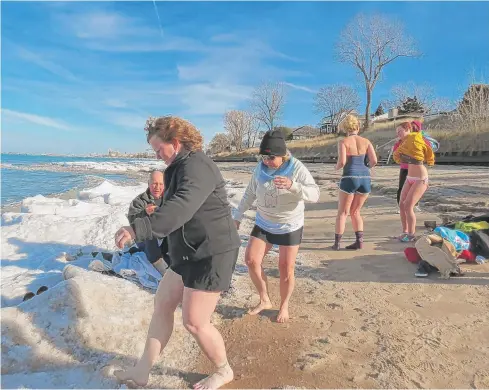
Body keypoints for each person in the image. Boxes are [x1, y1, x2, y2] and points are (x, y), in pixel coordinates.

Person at [114, 116, 241, 389]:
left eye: (159, 149)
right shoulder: (178, 167)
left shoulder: (198, 166)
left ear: (175, 142)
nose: (157, 155)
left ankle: (223, 370)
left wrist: (139, 229)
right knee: (162, 304)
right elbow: (177, 212)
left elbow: (182, 207)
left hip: (212, 252)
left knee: (194, 322)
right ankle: (142, 371)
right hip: (187, 252)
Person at [232, 129, 320, 323]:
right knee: (251, 260)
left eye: (271, 157)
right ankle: (264, 299)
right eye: (263, 156)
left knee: (285, 269)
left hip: (289, 225)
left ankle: (284, 305)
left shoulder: (296, 167)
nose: (266, 161)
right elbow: (249, 194)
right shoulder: (260, 168)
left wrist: (292, 186)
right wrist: (237, 215)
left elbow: (315, 194)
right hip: (264, 222)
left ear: (283, 155)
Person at [333, 114, 378, 250]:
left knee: (343, 213)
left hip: (349, 177)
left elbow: (342, 162)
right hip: (365, 178)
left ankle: (337, 244)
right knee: (356, 212)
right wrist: (365, 168)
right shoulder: (366, 141)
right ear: (358, 127)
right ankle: (359, 242)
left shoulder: (344, 142)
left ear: (346, 128)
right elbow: (374, 161)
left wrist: (336, 168)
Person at [393, 121, 435, 242]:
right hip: (409, 177)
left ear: (408, 129)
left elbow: (427, 149)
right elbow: (397, 155)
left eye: (400, 131)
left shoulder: (415, 138)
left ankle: (411, 234)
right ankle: (405, 231)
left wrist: (429, 160)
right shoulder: (404, 142)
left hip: (420, 178)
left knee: (408, 206)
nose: (398, 134)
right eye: (397, 132)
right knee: (401, 204)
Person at [127, 170, 169, 274]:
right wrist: (144, 213)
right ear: (149, 183)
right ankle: (162, 270)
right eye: (154, 183)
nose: (157, 187)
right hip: (147, 240)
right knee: (150, 234)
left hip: (165, 236)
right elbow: (132, 221)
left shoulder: (171, 198)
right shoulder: (139, 201)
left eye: (160, 184)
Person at [392, 120, 430, 213]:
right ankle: (400, 206)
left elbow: (427, 150)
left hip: (417, 169)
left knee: (416, 188)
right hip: (405, 168)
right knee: (401, 187)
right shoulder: (401, 142)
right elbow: (396, 153)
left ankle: (415, 204)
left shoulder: (420, 139)